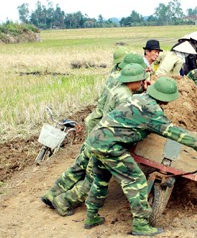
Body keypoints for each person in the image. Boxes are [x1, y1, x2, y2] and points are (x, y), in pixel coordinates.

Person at [83, 76, 197, 236]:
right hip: (110, 146)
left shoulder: (140, 97)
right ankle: (140, 225)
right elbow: (175, 133)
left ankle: (91, 216)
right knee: (136, 180)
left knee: (100, 178)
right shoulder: (152, 112)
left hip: (95, 140)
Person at [41, 63, 150, 216]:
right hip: (105, 140)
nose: (141, 84)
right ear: (135, 80)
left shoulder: (117, 87)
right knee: (94, 178)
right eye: (140, 81)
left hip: (96, 133)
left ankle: (52, 194)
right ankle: (63, 202)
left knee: (77, 169)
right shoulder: (125, 97)